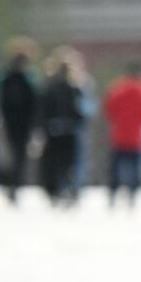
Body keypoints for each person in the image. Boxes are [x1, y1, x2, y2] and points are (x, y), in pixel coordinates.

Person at [103, 63, 141, 209]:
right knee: (135, 167)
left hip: (119, 135)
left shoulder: (118, 89)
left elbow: (109, 110)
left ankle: (113, 192)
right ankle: (132, 193)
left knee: (116, 167)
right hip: (136, 136)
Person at [40, 51, 87, 207]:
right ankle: (59, 190)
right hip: (59, 132)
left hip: (65, 132)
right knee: (59, 163)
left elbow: (81, 111)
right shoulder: (55, 89)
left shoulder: (74, 89)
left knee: (64, 163)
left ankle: (65, 190)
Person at [0, 46, 40, 205]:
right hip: (19, 124)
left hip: (13, 124)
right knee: (15, 156)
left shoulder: (8, 78)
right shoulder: (23, 79)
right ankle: (11, 185)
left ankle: (12, 186)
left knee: (13, 156)